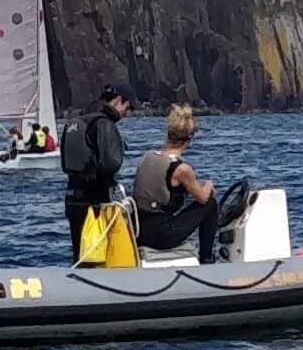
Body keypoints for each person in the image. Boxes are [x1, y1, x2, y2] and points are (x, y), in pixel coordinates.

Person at [133, 104, 222, 265]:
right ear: (190, 138)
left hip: (138, 231)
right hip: (161, 236)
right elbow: (202, 198)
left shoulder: (148, 157)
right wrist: (208, 185)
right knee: (210, 204)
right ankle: (206, 259)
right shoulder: (182, 169)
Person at [61, 84, 132, 254]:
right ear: (118, 101)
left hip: (73, 197)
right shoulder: (104, 124)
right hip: (96, 200)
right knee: (100, 253)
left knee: (80, 251)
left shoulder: (78, 121)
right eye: (127, 107)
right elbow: (111, 164)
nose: (126, 113)